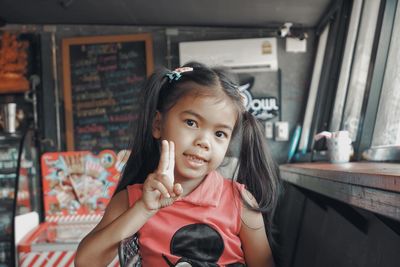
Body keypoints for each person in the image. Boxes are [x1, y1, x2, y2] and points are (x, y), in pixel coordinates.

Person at [75, 62, 281, 267]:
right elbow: (86, 263)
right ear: (158, 124)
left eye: (219, 134)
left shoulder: (241, 203)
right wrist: (143, 209)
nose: (204, 141)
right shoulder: (131, 201)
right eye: (191, 122)